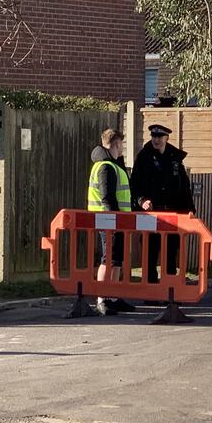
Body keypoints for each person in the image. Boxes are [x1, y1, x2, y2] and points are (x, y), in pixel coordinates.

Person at [130, 124, 195, 282]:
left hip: (171, 214)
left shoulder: (175, 158)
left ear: (166, 138)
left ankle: (169, 290)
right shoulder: (144, 158)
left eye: (159, 137)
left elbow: (184, 187)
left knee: (170, 253)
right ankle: (150, 290)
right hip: (151, 214)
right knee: (150, 254)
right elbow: (134, 185)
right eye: (153, 136)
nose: (156, 140)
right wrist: (142, 200)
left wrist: (189, 210)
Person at [88, 128, 133, 316]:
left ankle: (113, 297)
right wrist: (113, 219)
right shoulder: (105, 166)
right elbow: (107, 197)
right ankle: (102, 299)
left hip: (117, 220)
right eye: (121, 144)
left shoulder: (111, 164)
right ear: (116, 144)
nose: (122, 148)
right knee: (108, 259)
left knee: (116, 260)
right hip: (109, 221)